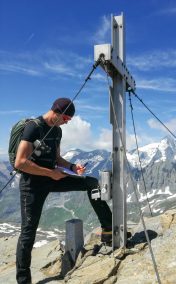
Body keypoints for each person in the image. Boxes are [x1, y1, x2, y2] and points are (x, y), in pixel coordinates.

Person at [15, 97, 112, 284]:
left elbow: (57, 158)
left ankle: (108, 229)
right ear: (56, 113)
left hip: (52, 179)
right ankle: (23, 280)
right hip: (32, 186)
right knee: (28, 233)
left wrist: (74, 167)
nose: (67, 123)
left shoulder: (57, 131)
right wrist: (51, 173)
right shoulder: (33, 128)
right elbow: (21, 163)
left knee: (90, 182)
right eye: (66, 119)